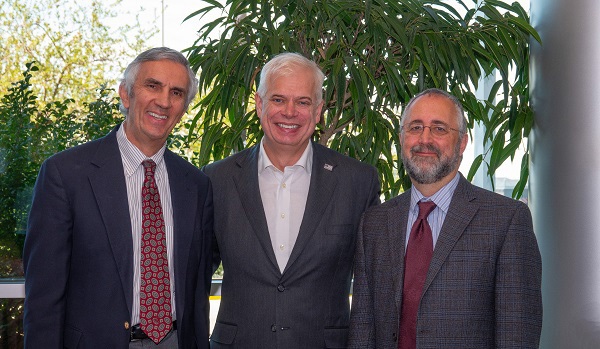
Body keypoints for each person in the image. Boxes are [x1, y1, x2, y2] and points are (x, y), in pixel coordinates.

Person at [23, 47, 213, 349]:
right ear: (126, 94)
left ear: (183, 107)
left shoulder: (197, 184)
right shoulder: (65, 174)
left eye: (177, 93)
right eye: (153, 86)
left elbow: (197, 286)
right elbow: (44, 296)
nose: (164, 101)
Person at [202, 52, 380, 348]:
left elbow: (374, 284)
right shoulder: (216, 179)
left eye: (303, 102)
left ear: (319, 110)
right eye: (278, 99)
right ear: (259, 104)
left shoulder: (357, 181)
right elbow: (192, 275)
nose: (289, 112)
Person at [348, 88, 542, 349]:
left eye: (439, 129)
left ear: (461, 142)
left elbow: (516, 335)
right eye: (415, 127)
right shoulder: (374, 224)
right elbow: (363, 329)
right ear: (401, 137)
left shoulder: (506, 221)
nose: (424, 139)